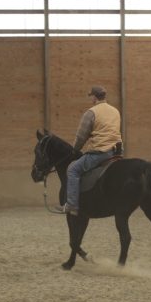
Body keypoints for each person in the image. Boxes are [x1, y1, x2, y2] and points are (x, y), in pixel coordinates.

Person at [56, 86, 123, 216]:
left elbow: (81, 136)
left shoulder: (91, 112)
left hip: (100, 152)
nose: (90, 98)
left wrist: (75, 149)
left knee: (72, 169)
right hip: (116, 152)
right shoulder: (115, 111)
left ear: (94, 96)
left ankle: (72, 205)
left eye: (90, 96)